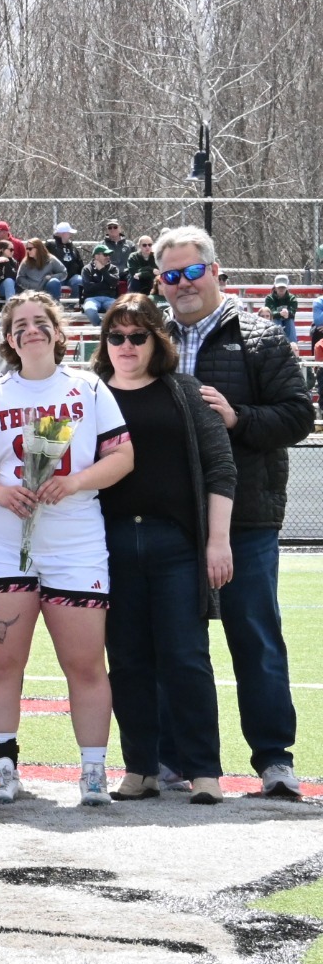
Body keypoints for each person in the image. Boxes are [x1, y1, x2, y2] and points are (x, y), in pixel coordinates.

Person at [0, 293, 133, 806]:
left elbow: (122, 456)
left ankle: (93, 769)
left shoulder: (88, 387)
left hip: (75, 537)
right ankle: (3, 766)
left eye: (40, 323)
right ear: (8, 339)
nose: (31, 330)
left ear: (58, 332)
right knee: (3, 660)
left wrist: (74, 483)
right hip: (6, 537)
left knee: (85, 661)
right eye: (20, 325)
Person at [157, 225, 311, 798]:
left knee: (255, 637)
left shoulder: (262, 336)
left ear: (215, 270)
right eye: (171, 276)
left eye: (192, 271)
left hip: (245, 517)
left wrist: (239, 417)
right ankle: (178, 760)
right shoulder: (151, 339)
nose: (183, 284)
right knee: (175, 643)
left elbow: (297, 416)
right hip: (172, 519)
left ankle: (274, 759)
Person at [93, 295, 234, 804]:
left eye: (137, 336)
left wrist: (217, 541)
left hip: (174, 544)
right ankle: (141, 767)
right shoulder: (90, 395)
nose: (126, 346)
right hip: (107, 546)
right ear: (104, 342)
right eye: (116, 336)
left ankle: (204, 770)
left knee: (186, 657)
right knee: (126, 659)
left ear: (157, 340)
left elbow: (221, 468)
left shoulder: (185, 392)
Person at [80, 246, 124, 325]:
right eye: (105, 254)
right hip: (92, 299)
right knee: (90, 310)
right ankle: (101, 326)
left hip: (109, 299)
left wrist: (103, 270)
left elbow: (114, 282)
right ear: (96, 256)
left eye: (109, 255)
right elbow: (88, 287)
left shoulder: (113, 269)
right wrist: (107, 284)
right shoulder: (87, 269)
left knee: (118, 310)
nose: (108, 257)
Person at [48, 223, 85, 297]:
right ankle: (55, 307)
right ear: (63, 234)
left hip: (71, 277)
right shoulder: (50, 245)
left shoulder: (72, 247)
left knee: (79, 280)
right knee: (53, 282)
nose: (71, 235)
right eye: (69, 233)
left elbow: (80, 263)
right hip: (57, 276)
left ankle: (73, 306)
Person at [264, 275, 299, 346]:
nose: (281, 289)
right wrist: (280, 314)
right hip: (275, 321)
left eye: (283, 287)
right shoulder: (269, 298)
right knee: (276, 320)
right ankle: (276, 344)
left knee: (289, 320)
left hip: (288, 321)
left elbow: (293, 313)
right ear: (275, 287)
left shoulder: (292, 298)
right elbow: (270, 313)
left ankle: (292, 346)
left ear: (287, 287)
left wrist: (288, 313)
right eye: (279, 287)